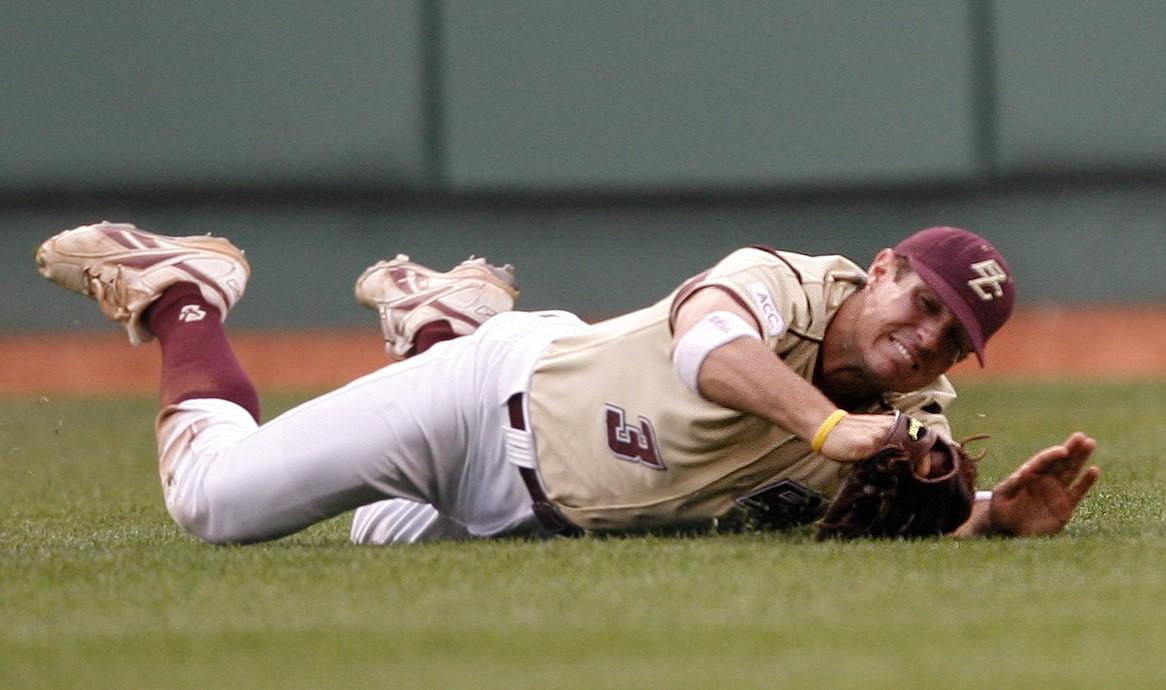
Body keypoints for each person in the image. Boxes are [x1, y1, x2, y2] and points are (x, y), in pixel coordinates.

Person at [34, 221, 1099, 545]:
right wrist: (828, 432)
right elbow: (705, 353)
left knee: (372, 547)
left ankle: (440, 316)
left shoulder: (910, 420)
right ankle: (183, 293)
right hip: (483, 403)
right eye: (919, 303)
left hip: (540, 512)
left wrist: (996, 516)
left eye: (951, 338)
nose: (923, 340)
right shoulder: (784, 282)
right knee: (214, 505)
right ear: (879, 271)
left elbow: (908, 513)